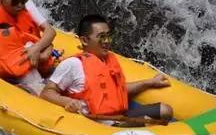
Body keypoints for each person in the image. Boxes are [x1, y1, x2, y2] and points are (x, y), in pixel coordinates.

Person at [41, 14, 173, 120]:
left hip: (119, 115)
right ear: (85, 40)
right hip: (94, 121)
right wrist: (66, 101)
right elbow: (47, 93)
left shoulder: (108, 60)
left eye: (108, 36)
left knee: (165, 110)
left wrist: (150, 82)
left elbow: (117, 90)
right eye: (101, 37)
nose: (107, 41)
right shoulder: (73, 64)